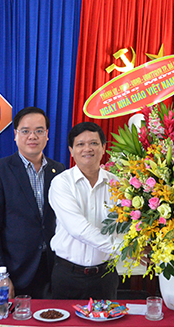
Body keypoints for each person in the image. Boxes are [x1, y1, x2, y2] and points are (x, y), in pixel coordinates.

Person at [0, 107, 65, 299]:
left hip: (53, 268)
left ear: (47, 135)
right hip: (14, 270)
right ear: (15, 135)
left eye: (39, 131)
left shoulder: (58, 170)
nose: (32, 136)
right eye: (25, 131)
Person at [49, 122, 119, 299]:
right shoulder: (61, 183)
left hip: (106, 276)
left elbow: (125, 225)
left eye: (94, 143)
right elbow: (78, 229)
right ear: (71, 151)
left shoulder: (117, 184)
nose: (87, 149)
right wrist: (125, 248)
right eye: (80, 144)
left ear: (103, 148)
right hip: (68, 275)